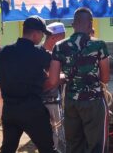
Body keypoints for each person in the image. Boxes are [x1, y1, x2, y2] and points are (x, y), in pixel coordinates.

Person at [47, 7, 110, 153]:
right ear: (90, 25)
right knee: (96, 145)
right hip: (94, 101)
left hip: (71, 101)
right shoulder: (99, 45)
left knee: (74, 144)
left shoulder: (59, 46)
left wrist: (70, 77)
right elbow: (106, 78)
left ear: (73, 24)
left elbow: (53, 80)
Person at [0, 15, 56, 153]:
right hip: (32, 109)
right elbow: (54, 70)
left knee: (7, 149)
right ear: (35, 34)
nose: (42, 39)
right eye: (42, 35)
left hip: (9, 109)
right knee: (47, 149)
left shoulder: (5, 51)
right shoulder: (39, 53)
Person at [42, 22, 66, 152]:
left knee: (56, 134)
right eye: (62, 38)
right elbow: (49, 79)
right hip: (47, 101)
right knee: (53, 135)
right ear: (53, 38)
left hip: (55, 99)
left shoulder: (55, 53)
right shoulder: (43, 55)